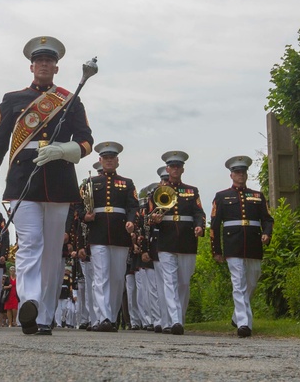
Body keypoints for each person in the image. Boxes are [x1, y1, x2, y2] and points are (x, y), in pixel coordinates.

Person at [0, 36, 94, 335]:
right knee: (30, 244)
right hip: (22, 181)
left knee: (52, 251)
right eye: (40, 61)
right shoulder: (12, 99)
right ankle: (29, 303)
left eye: (49, 62)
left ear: (56, 68)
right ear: (32, 66)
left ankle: (44, 316)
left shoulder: (70, 99)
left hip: (59, 180)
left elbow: (86, 142)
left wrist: (63, 150)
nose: (44, 65)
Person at [210, 155, 274, 338]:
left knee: (252, 281)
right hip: (233, 244)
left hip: (253, 244)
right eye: (237, 172)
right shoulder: (222, 197)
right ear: (231, 175)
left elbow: (267, 219)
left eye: (243, 172)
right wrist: (216, 250)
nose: (240, 175)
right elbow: (215, 225)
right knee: (238, 283)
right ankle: (245, 324)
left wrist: (267, 233)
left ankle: (236, 316)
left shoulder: (257, 196)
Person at [149, 151, 206, 335]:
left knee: (183, 282)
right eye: (172, 166)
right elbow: (149, 217)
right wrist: (154, 219)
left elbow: (199, 213)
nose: (175, 169)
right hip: (166, 241)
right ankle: (175, 321)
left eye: (178, 166)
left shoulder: (191, 191)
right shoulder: (157, 192)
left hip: (187, 241)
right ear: (167, 168)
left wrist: (199, 227)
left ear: (182, 169)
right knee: (170, 282)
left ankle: (177, 318)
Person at [83, 141, 139, 332]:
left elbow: (133, 206)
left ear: (117, 161)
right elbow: (78, 207)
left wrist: (131, 221)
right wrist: (85, 216)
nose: (108, 161)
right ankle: (103, 317)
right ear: (100, 160)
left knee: (116, 278)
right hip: (98, 232)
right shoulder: (90, 183)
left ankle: (111, 316)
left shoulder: (127, 183)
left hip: (120, 233)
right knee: (101, 276)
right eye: (105, 158)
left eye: (112, 158)